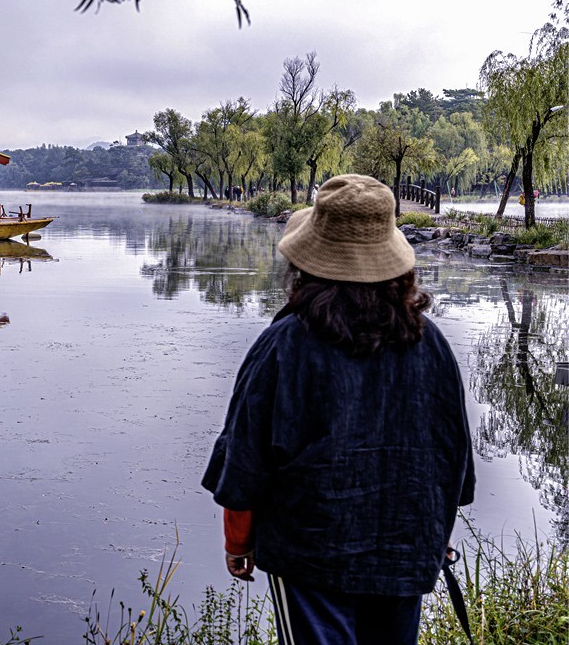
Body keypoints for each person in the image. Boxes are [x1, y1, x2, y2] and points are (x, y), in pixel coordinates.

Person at [202, 174, 475, 645]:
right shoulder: (431, 343)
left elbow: (245, 459)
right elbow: (452, 458)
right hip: (407, 549)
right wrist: (436, 532)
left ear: (307, 264)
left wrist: (238, 542)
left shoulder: (284, 344)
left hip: (311, 557)